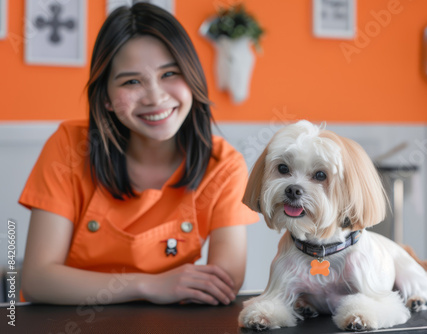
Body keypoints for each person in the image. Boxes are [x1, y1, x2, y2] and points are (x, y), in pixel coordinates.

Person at [19, 3, 258, 306]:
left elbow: (223, 283)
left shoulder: (224, 166)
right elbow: (38, 279)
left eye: (170, 73)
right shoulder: (68, 145)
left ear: (193, 77)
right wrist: (148, 285)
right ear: (105, 97)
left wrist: (162, 288)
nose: (155, 97)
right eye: (132, 81)